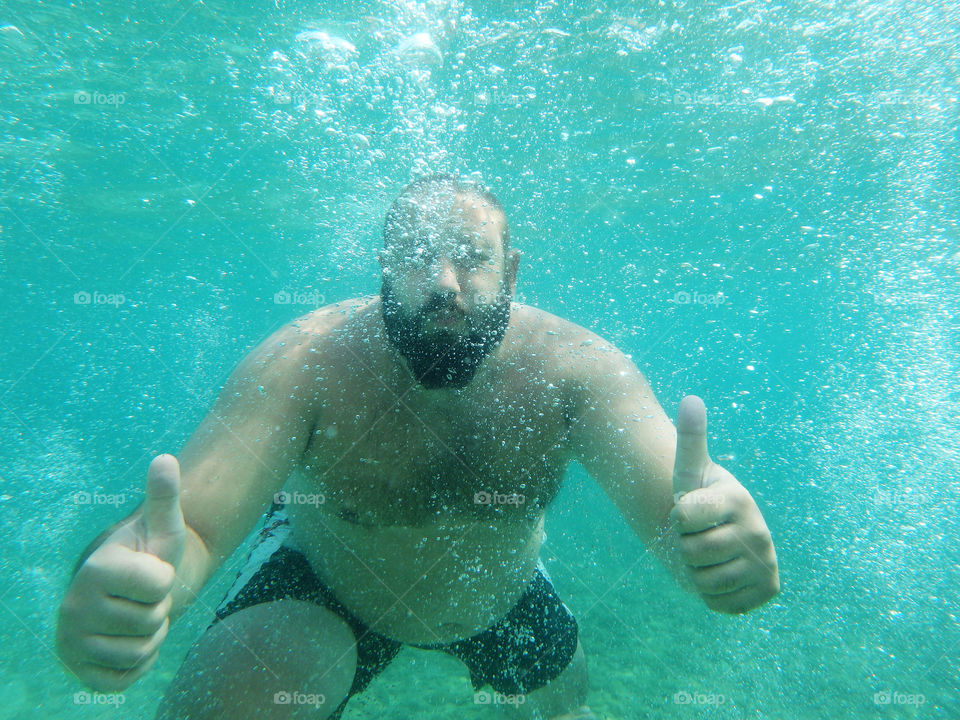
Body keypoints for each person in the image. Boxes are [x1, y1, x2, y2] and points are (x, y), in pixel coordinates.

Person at [56, 174, 779, 720]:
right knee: (242, 696)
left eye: (473, 258)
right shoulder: (306, 362)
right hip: (324, 579)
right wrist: (146, 583)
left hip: (499, 591)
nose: (443, 284)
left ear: (514, 271)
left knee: (563, 702)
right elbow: (194, 529)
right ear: (381, 268)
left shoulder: (578, 369)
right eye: (415, 257)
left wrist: (710, 544)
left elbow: (675, 507)